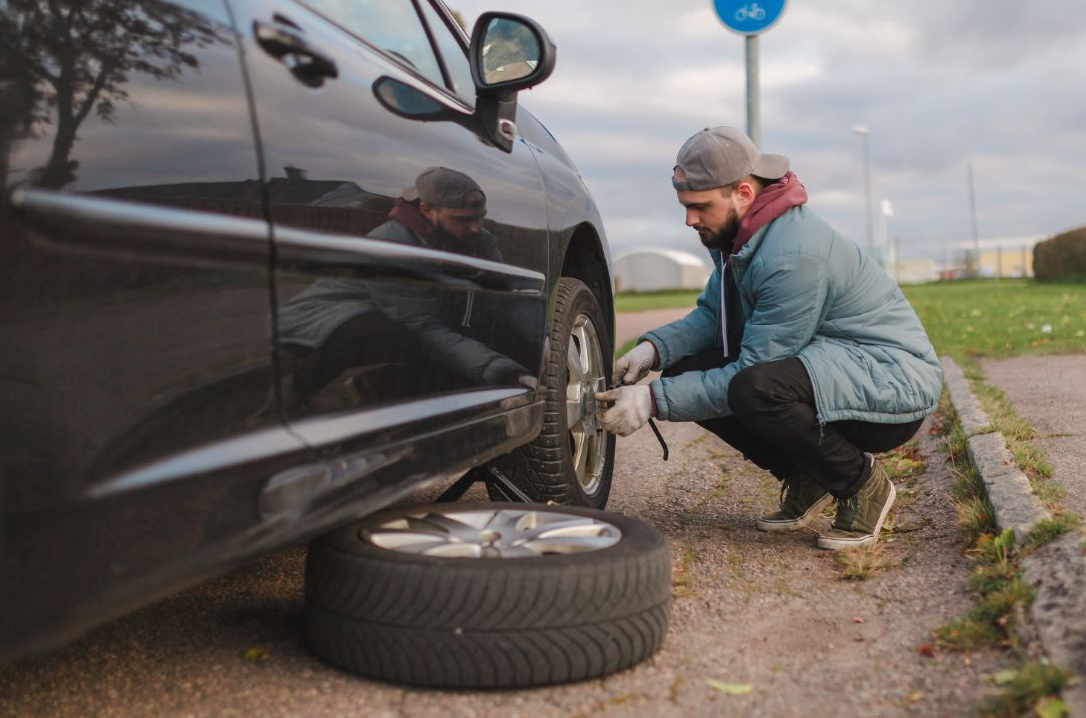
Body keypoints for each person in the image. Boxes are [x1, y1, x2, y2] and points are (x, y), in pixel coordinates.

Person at [596, 127, 942, 550]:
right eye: (685, 207)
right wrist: (653, 350)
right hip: (839, 364)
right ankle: (807, 474)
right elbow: (713, 315)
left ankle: (860, 483)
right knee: (688, 368)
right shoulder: (744, 237)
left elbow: (752, 370)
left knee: (755, 388)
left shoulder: (791, 255)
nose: (689, 220)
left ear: (743, 192)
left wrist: (651, 401)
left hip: (892, 383)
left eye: (700, 207)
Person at [278, 166, 535, 402]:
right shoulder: (391, 246)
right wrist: (505, 373)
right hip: (326, 316)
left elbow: (507, 291)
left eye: (480, 217)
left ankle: (374, 385)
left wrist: (545, 334)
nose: (477, 228)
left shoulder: (476, 238)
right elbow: (424, 328)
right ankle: (294, 394)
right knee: (394, 334)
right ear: (426, 210)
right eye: (464, 219)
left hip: (395, 311)